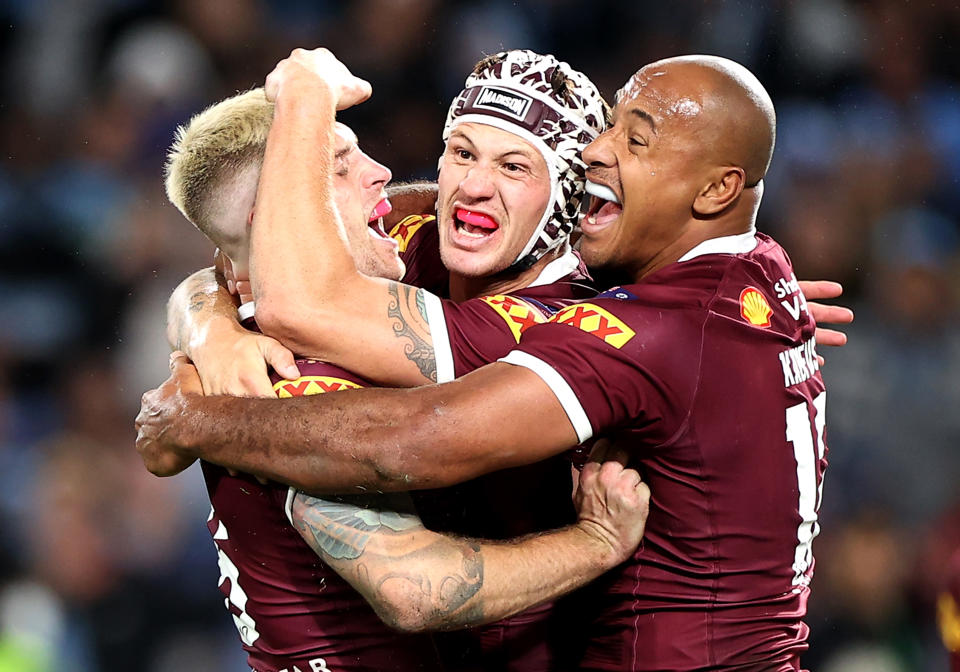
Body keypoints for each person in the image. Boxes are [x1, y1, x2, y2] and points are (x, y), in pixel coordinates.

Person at [138, 54, 833, 670]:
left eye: (513, 166)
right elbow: (247, 262)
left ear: (560, 199)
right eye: (461, 153)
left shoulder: (586, 320)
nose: (465, 187)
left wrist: (198, 419)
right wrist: (209, 316)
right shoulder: (406, 253)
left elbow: (409, 438)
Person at [161, 85, 650, 672]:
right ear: (275, 222)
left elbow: (225, 271)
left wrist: (205, 321)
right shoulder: (289, 376)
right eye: (340, 168)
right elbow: (413, 587)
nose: (381, 174)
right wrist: (596, 541)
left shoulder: (356, 287)